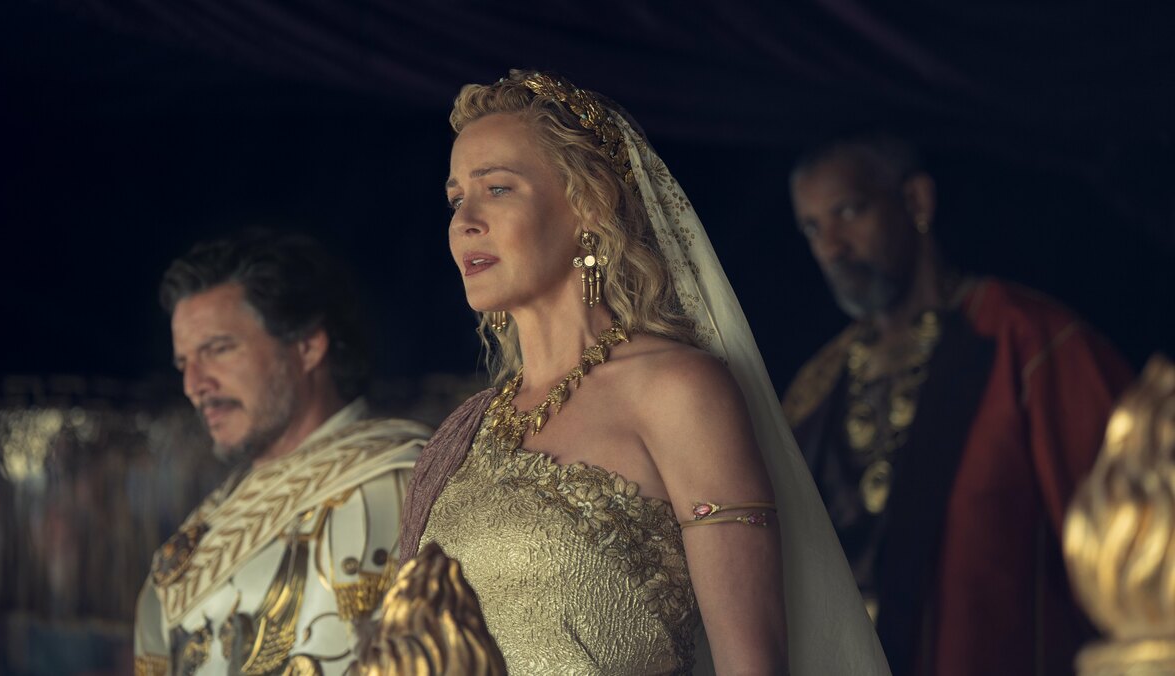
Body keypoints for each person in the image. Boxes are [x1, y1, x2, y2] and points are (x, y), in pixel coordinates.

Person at [397, 71, 889, 675]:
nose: (464, 221)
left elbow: (752, 665)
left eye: (497, 189)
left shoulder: (676, 391)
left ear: (588, 206)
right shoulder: (462, 436)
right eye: (455, 200)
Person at [783, 134, 1134, 675]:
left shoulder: (1031, 344)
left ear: (916, 201)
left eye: (848, 212)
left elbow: (1130, 553)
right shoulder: (815, 390)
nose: (831, 248)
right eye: (811, 228)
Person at [133, 231, 430, 675]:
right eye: (184, 364)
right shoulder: (215, 515)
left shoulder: (410, 482)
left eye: (218, 350)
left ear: (307, 346)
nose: (194, 385)